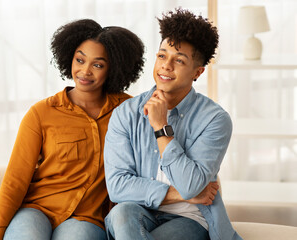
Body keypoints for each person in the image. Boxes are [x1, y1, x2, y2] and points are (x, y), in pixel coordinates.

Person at [0, 19, 145, 240]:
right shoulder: (41, 113)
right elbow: (15, 180)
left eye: (97, 65)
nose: (84, 71)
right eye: (80, 60)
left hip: (88, 218)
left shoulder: (129, 111)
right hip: (37, 209)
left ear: (114, 68)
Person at [103, 8, 242, 240]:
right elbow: (117, 186)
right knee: (121, 214)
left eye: (179, 60)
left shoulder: (215, 120)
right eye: (161, 56)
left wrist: (161, 127)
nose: (166, 66)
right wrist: (180, 194)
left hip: (191, 217)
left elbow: (191, 185)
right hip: (140, 211)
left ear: (198, 72)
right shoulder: (126, 114)